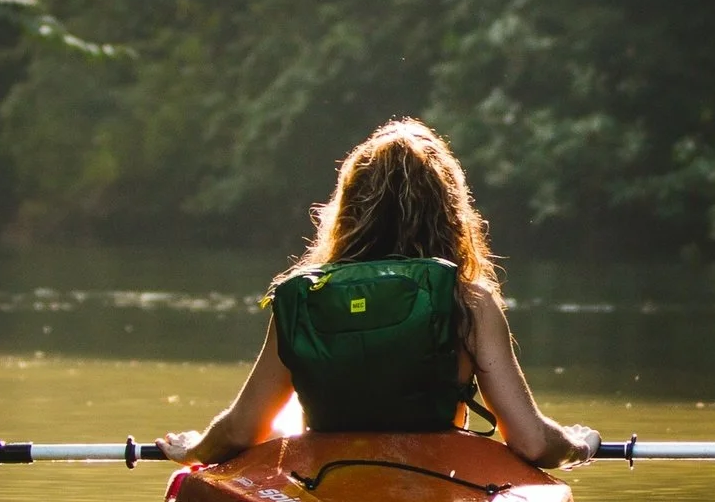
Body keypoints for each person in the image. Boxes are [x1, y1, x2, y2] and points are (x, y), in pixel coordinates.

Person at [157, 120, 599, 469]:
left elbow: (240, 431)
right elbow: (533, 442)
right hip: (437, 480)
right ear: (449, 213)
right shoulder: (470, 304)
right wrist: (578, 445)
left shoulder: (305, 298)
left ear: (348, 209)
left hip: (326, 480)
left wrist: (196, 448)